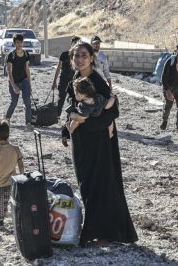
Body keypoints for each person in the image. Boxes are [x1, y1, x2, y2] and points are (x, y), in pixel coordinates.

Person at [67, 42, 138, 247]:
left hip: (98, 143)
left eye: (83, 55)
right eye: (76, 56)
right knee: (86, 183)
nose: (79, 59)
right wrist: (68, 126)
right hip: (82, 141)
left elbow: (113, 110)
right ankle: (96, 230)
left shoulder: (96, 79)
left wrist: (85, 122)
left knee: (100, 184)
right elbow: (75, 104)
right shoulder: (77, 77)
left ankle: (102, 233)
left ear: (91, 58)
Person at [0, 120, 24, 228]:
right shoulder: (15, 149)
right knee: (11, 200)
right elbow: (21, 165)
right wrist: (21, 177)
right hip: (13, 181)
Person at [5, 33, 33, 130]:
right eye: (17, 42)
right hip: (14, 81)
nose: (20, 44)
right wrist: (13, 86)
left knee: (27, 102)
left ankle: (28, 123)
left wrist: (29, 83)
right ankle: (7, 118)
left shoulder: (26, 54)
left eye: (21, 42)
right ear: (14, 43)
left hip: (24, 80)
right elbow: (9, 71)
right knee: (14, 102)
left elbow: (27, 68)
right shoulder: (11, 56)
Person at [160, 43, 178, 133]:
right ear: (176, 50)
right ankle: (165, 120)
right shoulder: (170, 61)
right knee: (168, 106)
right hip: (169, 87)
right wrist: (167, 91)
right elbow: (163, 77)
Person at [52, 36, 81, 118]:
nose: (76, 45)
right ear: (71, 44)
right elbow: (58, 68)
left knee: (73, 100)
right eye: (74, 43)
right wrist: (54, 81)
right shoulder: (64, 54)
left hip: (74, 81)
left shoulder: (79, 56)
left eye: (78, 44)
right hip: (63, 80)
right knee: (61, 99)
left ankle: (69, 119)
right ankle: (57, 117)